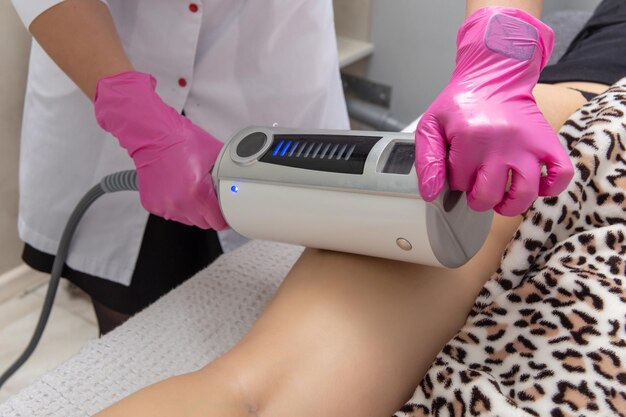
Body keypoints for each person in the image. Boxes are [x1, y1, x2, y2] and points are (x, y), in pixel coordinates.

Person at [87, 1, 623, 416]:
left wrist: (498, 55)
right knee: (260, 385)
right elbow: (253, 399)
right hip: (586, 121)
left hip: (584, 123)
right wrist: (124, 99)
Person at [11, 0, 349, 334]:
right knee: (135, 336)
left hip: (271, 66)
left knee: (285, 307)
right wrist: (134, 113)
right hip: (106, 60)